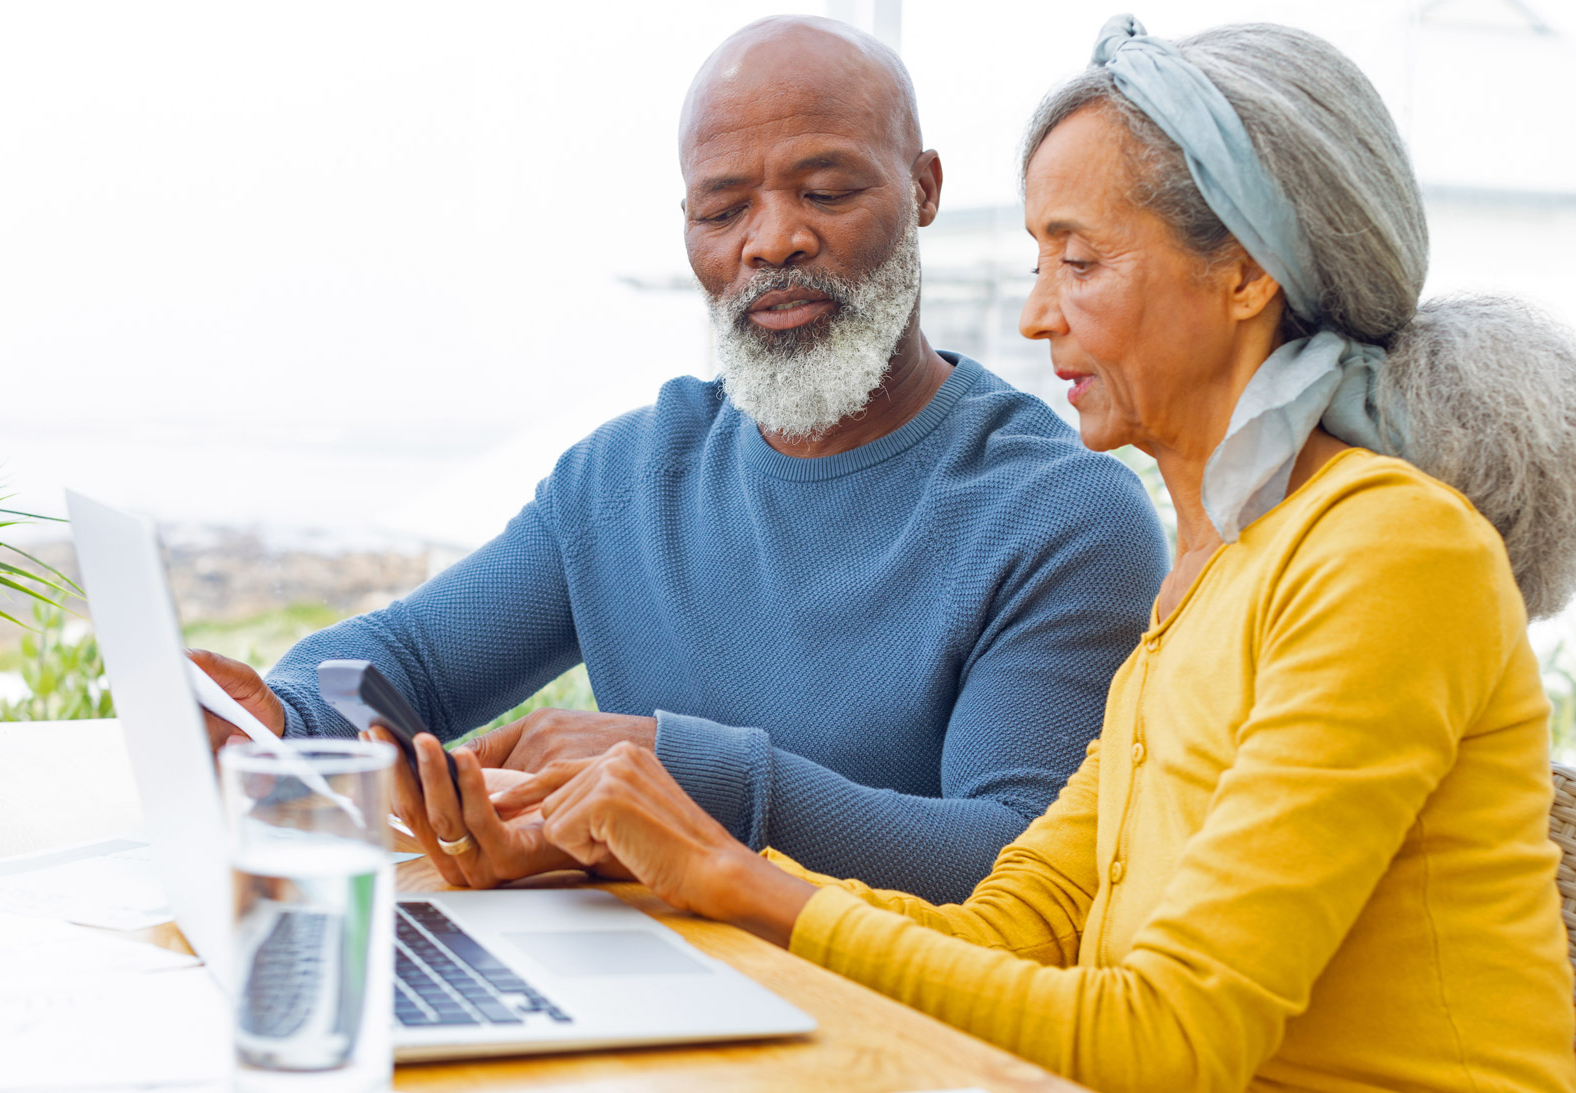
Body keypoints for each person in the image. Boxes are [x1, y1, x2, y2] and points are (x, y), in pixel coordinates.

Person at [479, 16, 1576, 1092]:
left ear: (1244, 276)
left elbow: (1165, 1041)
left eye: (1080, 260)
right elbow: (1018, 925)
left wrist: (731, 874)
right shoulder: (1210, 576)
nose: (1040, 314)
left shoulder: (1389, 554)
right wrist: (695, 870)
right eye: (1037, 259)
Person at [190, 16, 1168, 904]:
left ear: (923, 190)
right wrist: (280, 712)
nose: (772, 240)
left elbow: (1011, 861)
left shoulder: (1063, 515)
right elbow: (393, 664)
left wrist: (677, 775)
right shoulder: (628, 482)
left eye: (825, 190)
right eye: (722, 209)